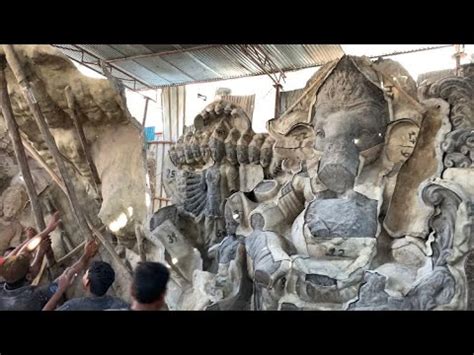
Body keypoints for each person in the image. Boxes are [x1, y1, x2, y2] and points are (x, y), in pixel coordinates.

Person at [0, 212, 61, 310]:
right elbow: (59, 286)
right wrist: (40, 252)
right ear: (28, 276)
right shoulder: (31, 296)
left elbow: (24, 250)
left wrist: (47, 229)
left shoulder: (6, 275)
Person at [44, 259, 128, 311]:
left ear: (87, 282)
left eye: (85, 273)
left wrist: (60, 290)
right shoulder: (120, 304)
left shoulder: (73, 306)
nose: (83, 275)